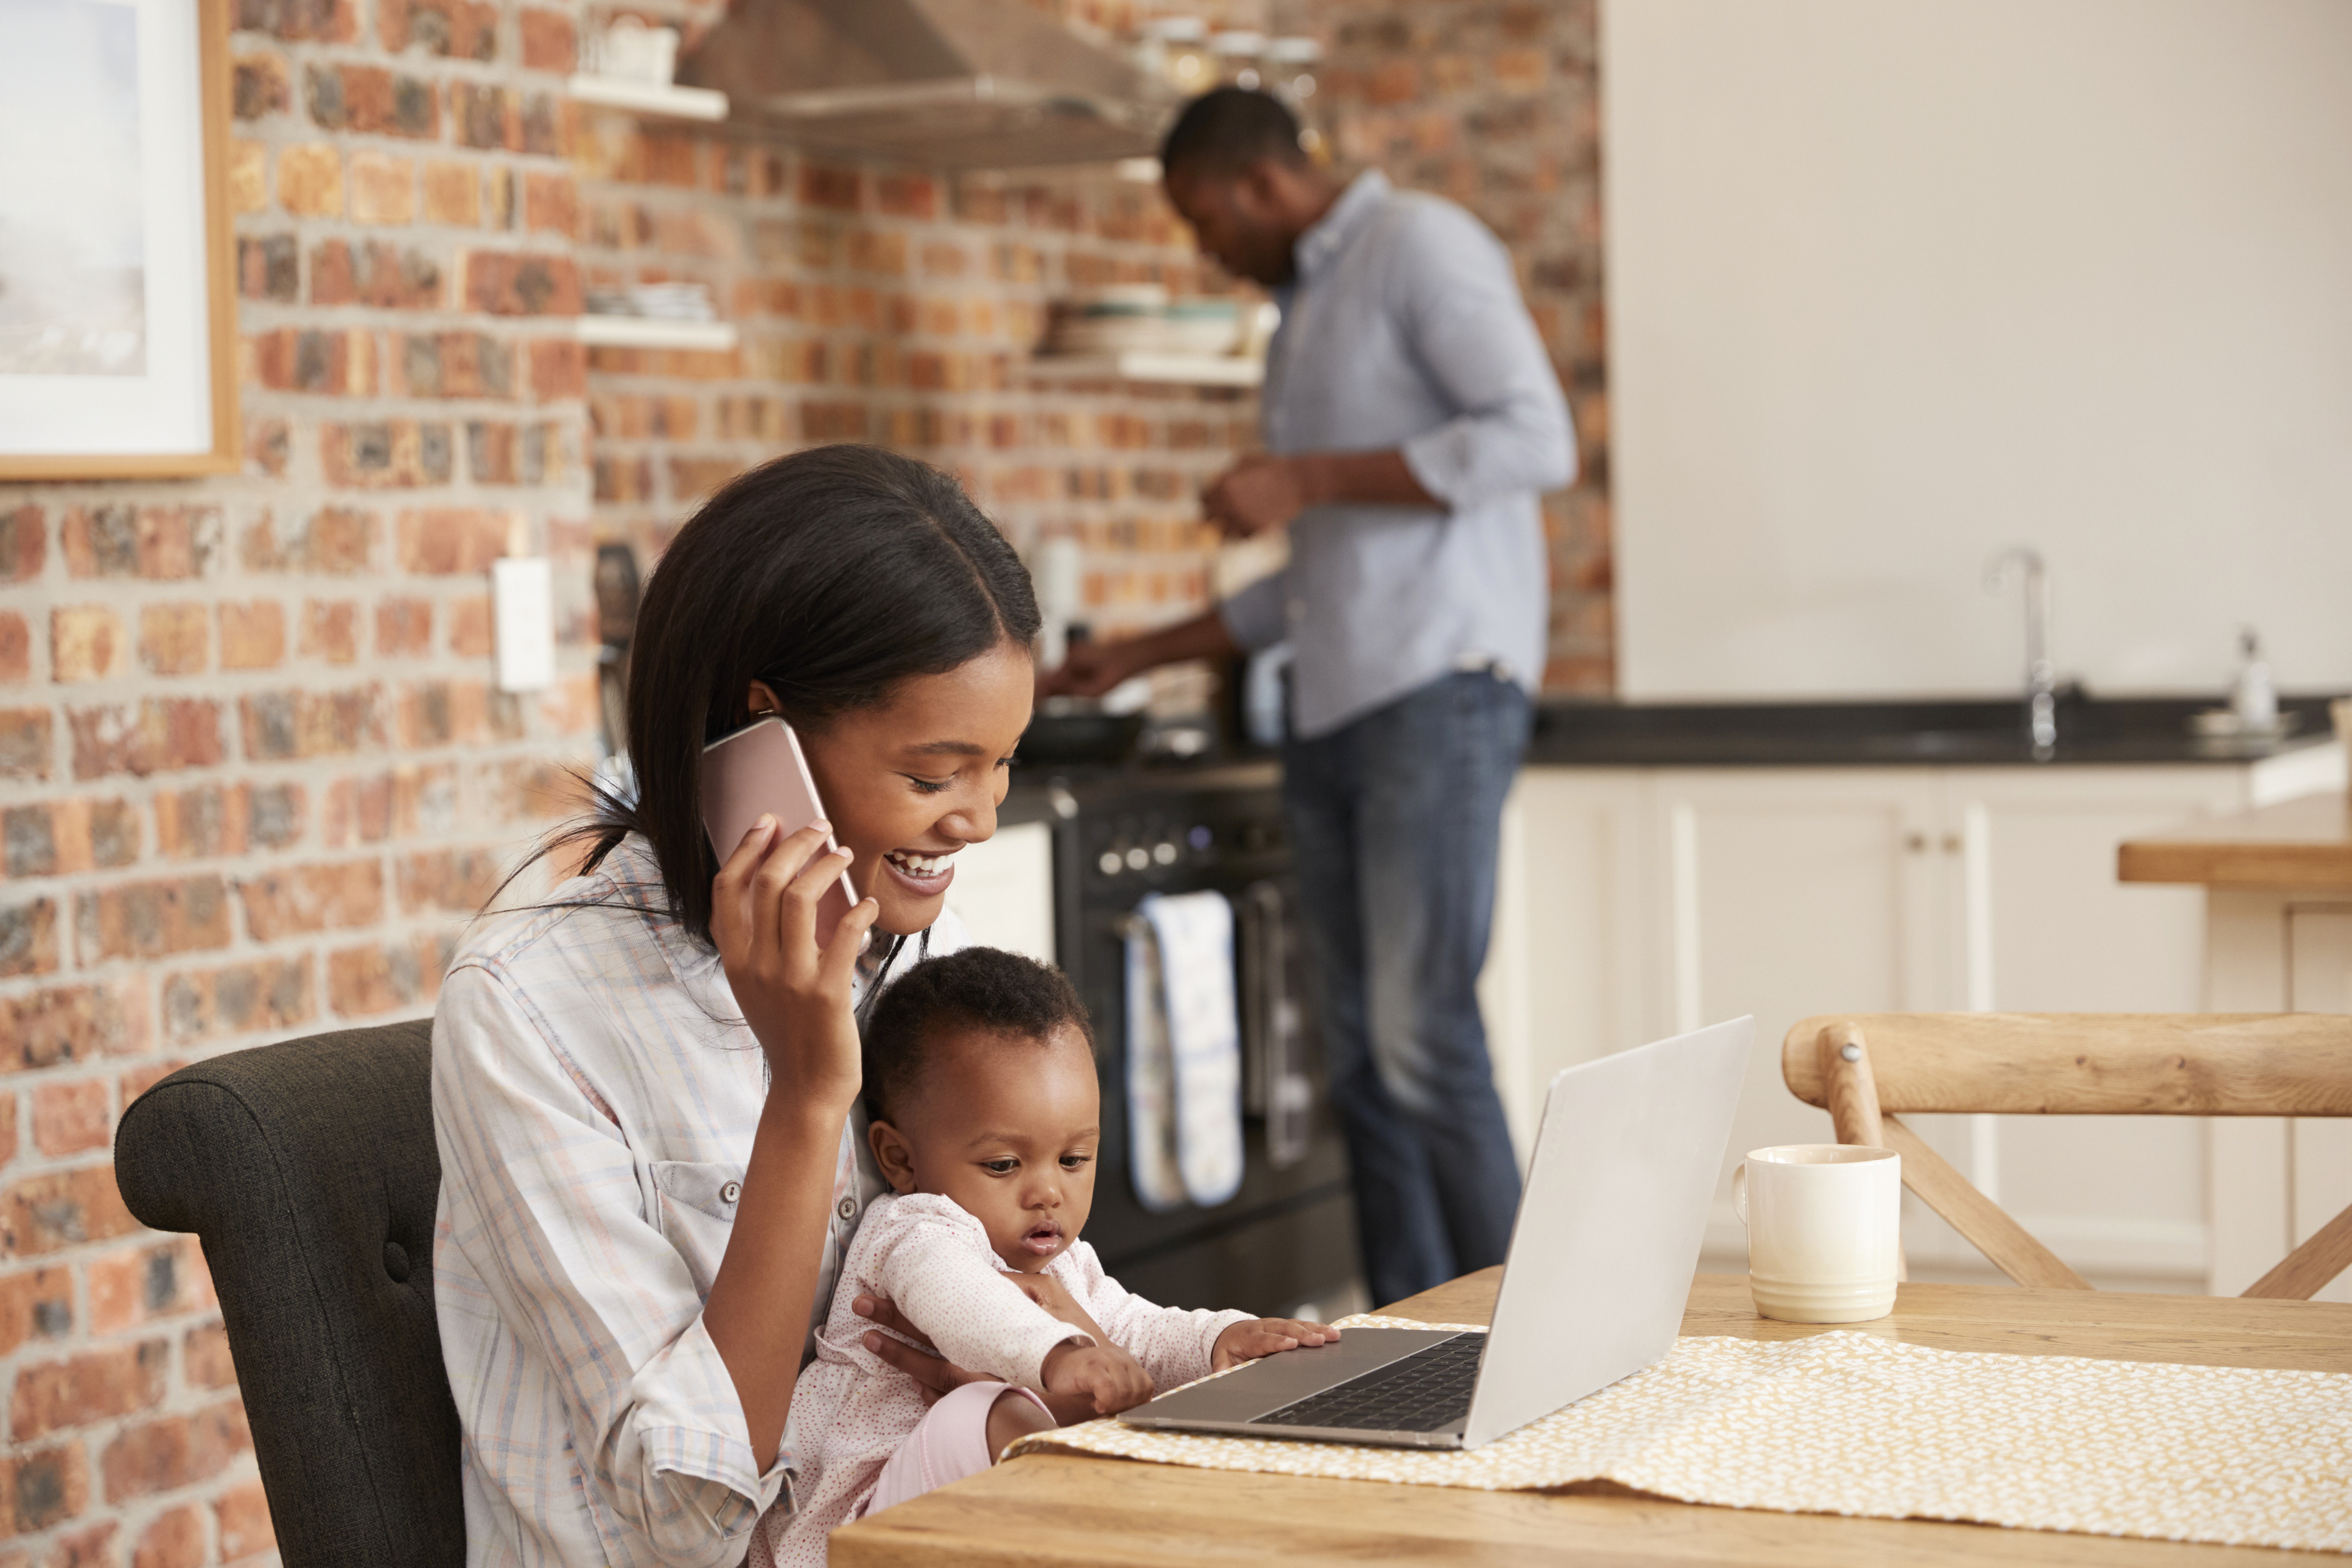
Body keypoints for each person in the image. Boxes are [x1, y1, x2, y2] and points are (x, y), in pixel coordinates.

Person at [433, 446, 1084, 1567]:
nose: (975, 820)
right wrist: (806, 1088)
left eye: (1001, 766)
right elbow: (691, 1516)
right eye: (933, 776)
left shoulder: (918, 956)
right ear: (762, 734)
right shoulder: (528, 1007)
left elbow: (1037, 1291)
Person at [1046, 89, 1577, 1307]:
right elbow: (1321, 571)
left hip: (1439, 694)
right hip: (1338, 711)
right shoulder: (1303, 317)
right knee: (1362, 1061)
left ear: (1259, 183)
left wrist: (1304, 474)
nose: (1204, 249)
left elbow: (1536, 439)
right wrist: (1137, 654)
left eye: (1202, 218)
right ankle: (1408, 1337)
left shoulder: (1418, 249)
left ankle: (1535, 1328)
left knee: (1420, 1036)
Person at [765, 947, 1335, 1564]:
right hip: (856, 1524)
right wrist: (1058, 1352)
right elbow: (958, 1297)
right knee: (991, 1411)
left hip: (968, 1520)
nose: (1048, 1192)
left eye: (1073, 1159)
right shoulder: (916, 1228)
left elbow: (1134, 1327)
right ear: (900, 1159)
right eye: (1004, 1164)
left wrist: (1218, 1339)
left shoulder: (1062, 1261)